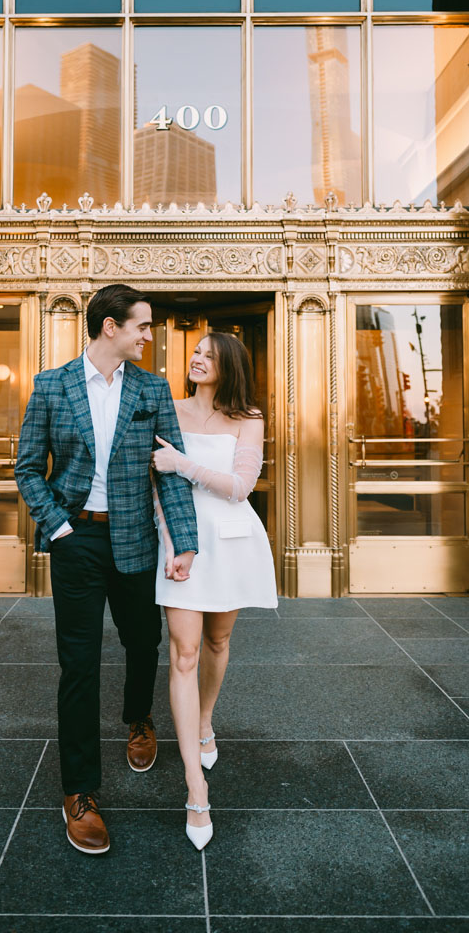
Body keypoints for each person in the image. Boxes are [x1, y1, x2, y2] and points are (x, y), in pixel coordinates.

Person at [15, 284, 198, 855]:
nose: (150, 335)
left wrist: (184, 542)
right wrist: (59, 528)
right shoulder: (52, 385)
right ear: (110, 327)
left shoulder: (152, 387)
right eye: (142, 325)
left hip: (136, 538)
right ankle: (79, 792)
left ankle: (138, 717)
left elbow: (169, 470)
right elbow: (26, 468)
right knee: (78, 664)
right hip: (77, 541)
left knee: (144, 642)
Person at [152, 331, 278, 850]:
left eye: (208, 354)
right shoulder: (169, 408)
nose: (197, 359)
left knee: (217, 642)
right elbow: (156, 483)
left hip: (231, 541)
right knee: (183, 654)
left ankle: (205, 719)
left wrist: (183, 463)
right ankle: (195, 787)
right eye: (195, 352)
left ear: (229, 365)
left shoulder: (249, 418)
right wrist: (169, 542)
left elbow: (240, 486)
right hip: (180, 545)